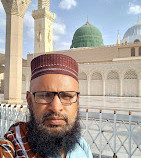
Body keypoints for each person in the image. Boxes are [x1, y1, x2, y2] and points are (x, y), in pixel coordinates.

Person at [0, 54, 93, 158]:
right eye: (44, 95)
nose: (56, 108)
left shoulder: (81, 145)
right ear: (29, 100)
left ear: (77, 101)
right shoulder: (15, 146)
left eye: (67, 96)